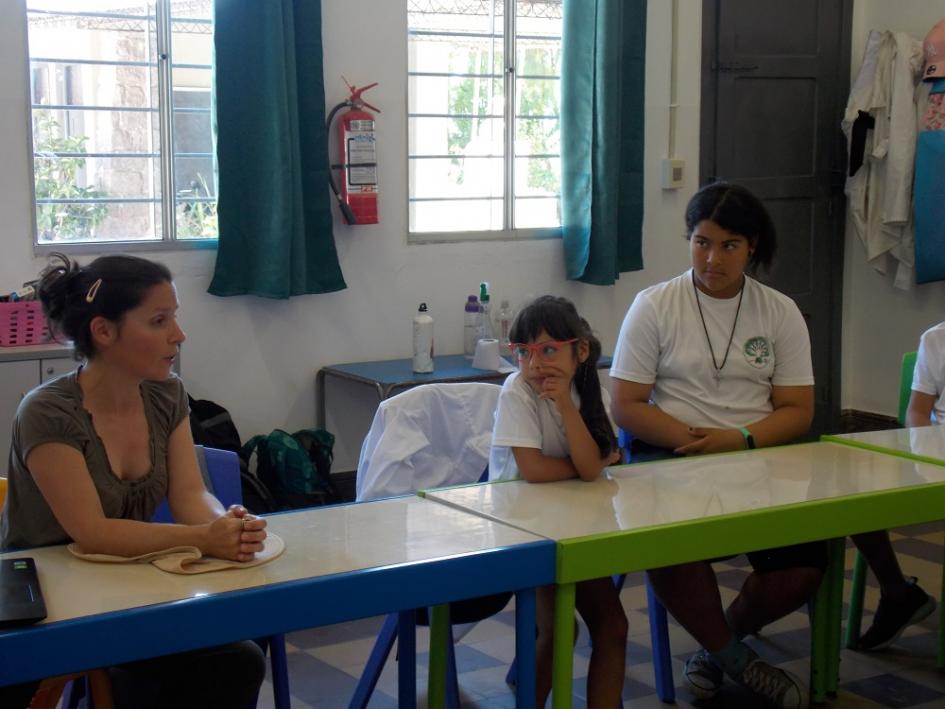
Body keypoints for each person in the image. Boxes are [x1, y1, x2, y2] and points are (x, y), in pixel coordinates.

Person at [0, 253, 267, 708]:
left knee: (235, 659)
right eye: (159, 321)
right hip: (41, 607)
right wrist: (204, 538)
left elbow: (189, 495)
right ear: (104, 331)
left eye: (175, 318)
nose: (178, 336)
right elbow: (93, 532)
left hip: (121, 589)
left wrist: (227, 524)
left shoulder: (167, 394)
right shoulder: (47, 411)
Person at [610, 182, 823, 709]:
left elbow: (798, 409)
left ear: (753, 247)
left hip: (756, 453)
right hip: (672, 453)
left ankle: (718, 647)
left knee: (805, 566)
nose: (713, 258)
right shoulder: (654, 305)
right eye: (702, 242)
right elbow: (627, 405)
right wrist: (694, 440)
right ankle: (739, 663)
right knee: (670, 547)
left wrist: (738, 439)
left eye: (729, 245)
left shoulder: (779, 311)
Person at [489, 295, 627, 708]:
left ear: (579, 351)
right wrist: (592, 464)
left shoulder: (587, 392)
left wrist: (566, 405)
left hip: (576, 524)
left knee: (613, 627)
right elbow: (533, 469)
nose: (536, 365)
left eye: (549, 350)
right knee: (559, 631)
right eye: (524, 353)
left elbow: (588, 468)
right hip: (523, 528)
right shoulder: (517, 391)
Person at [839, 325, 941, 652]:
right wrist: (926, 453)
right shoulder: (936, 338)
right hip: (934, 456)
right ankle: (897, 593)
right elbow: (917, 412)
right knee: (851, 492)